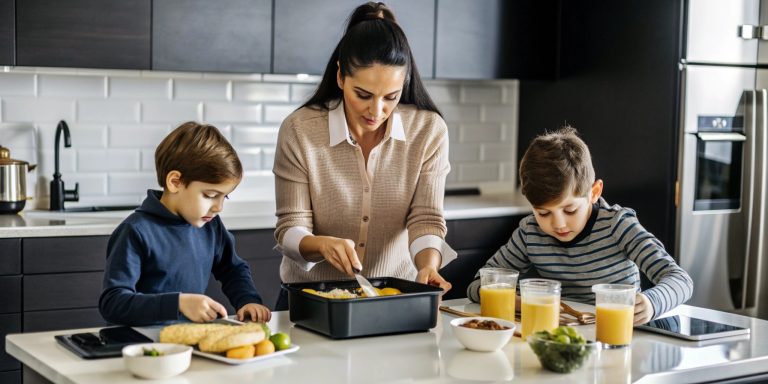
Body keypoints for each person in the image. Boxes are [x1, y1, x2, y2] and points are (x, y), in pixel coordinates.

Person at [272, 2, 455, 309]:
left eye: (391, 97)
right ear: (341, 76)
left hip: (390, 298)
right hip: (310, 300)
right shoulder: (300, 130)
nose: (377, 110)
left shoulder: (428, 130)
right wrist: (321, 245)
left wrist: (428, 265)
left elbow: (426, 219)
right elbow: (290, 226)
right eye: (363, 95)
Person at [467, 127, 693, 324]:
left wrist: (652, 303)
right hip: (560, 337)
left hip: (617, 339)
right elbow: (479, 283)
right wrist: (515, 301)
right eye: (543, 213)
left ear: (594, 192)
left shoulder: (618, 225)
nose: (558, 224)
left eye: (570, 210)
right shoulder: (530, 232)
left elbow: (681, 280)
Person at [99, 122, 271, 326]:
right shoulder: (136, 231)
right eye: (210, 195)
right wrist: (177, 303)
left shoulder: (211, 226)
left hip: (187, 343)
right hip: (142, 346)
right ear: (175, 182)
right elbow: (113, 303)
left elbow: (232, 269)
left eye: (225, 197)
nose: (218, 208)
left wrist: (248, 300)